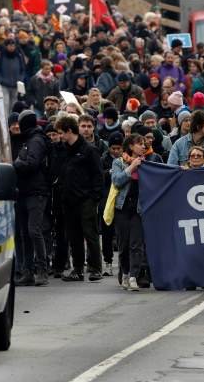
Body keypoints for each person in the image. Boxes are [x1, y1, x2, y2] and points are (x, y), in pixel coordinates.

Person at [55, 115, 105, 282]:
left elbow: (98, 176)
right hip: (68, 200)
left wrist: (94, 198)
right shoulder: (63, 150)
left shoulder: (89, 150)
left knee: (90, 234)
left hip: (86, 200)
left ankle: (96, 268)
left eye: (61, 132)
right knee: (74, 237)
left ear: (69, 131)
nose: (59, 136)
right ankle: (77, 269)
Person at [12, 111, 51, 286]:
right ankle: (28, 272)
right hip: (25, 191)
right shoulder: (30, 140)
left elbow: (33, 164)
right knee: (24, 233)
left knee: (33, 230)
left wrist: (14, 165)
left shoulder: (36, 140)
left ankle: (42, 270)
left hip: (36, 191)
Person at [111, 134, 148, 291]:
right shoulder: (119, 162)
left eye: (144, 144)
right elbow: (117, 180)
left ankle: (134, 276)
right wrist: (131, 168)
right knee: (124, 244)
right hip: (122, 207)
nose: (143, 146)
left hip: (139, 209)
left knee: (137, 245)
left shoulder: (147, 164)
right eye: (140, 144)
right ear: (131, 147)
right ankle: (125, 273)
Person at [43, 121, 69, 278]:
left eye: (55, 134)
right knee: (45, 229)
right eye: (50, 135)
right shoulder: (44, 149)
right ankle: (46, 262)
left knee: (61, 231)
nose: (52, 137)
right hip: (47, 193)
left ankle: (60, 264)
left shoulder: (64, 150)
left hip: (60, 194)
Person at [100, 132, 123, 278]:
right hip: (107, 199)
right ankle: (108, 263)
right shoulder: (103, 158)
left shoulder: (126, 159)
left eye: (118, 148)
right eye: (113, 148)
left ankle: (122, 263)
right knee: (106, 233)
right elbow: (97, 175)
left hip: (121, 199)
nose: (115, 151)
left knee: (121, 234)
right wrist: (107, 173)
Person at [0, 38, 26, 116]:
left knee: (14, 103)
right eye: (10, 46)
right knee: (6, 103)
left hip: (15, 84)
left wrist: (20, 79)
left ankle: (13, 118)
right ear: (6, 46)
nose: (12, 47)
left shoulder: (18, 56)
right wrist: (1, 80)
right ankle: (6, 119)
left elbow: (22, 69)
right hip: (4, 84)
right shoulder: (1, 56)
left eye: (13, 46)